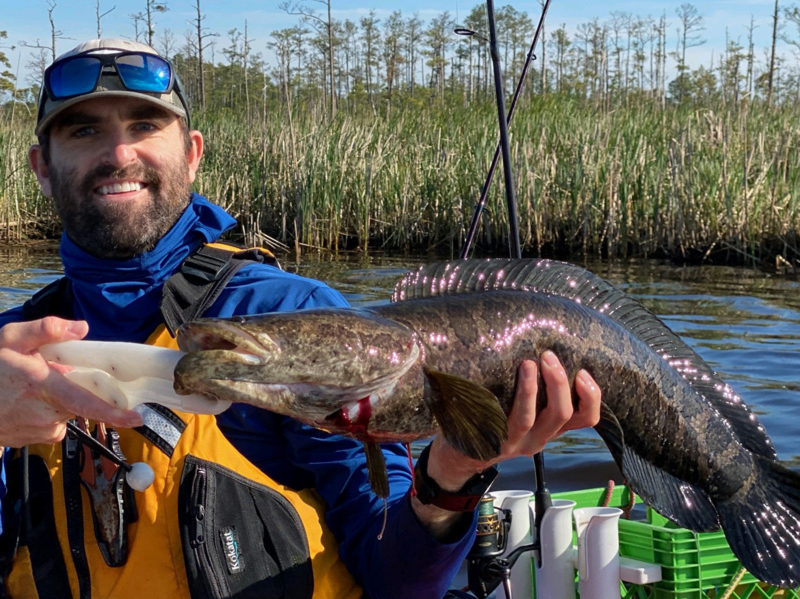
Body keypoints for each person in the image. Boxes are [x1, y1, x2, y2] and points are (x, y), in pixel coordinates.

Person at [0, 38, 602, 598]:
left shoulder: (286, 312)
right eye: (83, 130)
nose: (119, 153)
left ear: (192, 152)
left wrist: (451, 475)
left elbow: (397, 580)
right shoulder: (12, 346)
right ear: (43, 166)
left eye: (144, 125)